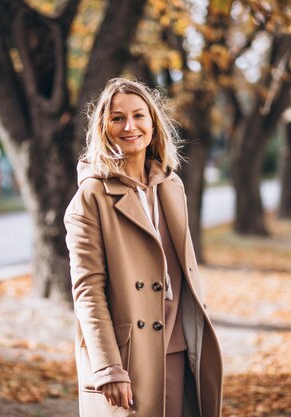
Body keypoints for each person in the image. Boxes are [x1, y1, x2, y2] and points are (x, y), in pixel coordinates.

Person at [64, 78, 223, 417]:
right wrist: (108, 368)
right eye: (117, 117)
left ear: (153, 123)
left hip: (178, 346)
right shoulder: (91, 198)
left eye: (139, 115)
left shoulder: (171, 186)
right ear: (103, 127)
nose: (129, 126)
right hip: (128, 357)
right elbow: (87, 291)